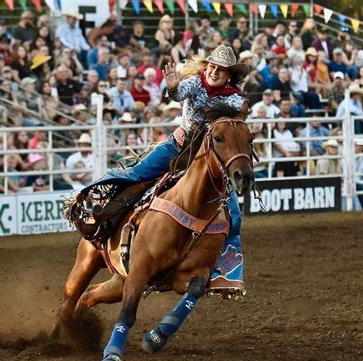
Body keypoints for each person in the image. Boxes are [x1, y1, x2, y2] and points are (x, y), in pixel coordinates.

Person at [84, 44, 249, 291]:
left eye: (221, 69)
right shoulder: (196, 82)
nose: (214, 72)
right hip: (179, 147)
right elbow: (179, 92)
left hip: (210, 159)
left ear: (229, 75)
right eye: (212, 66)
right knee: (136, 175)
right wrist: (172, 87)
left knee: (233, 215)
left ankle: (225, 270)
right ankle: (96, 210)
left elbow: (234, 119)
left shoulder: (234, 97)